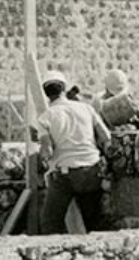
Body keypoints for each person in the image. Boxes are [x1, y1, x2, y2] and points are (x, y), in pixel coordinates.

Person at [37, 70, 111, 234]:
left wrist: (44, 159)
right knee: (93, 221)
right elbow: (106, 136)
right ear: (64, 89)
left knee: (50, 221)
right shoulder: (86, 108)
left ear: (47, 94)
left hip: (66, 174)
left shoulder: (45, 117)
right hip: (92, 170)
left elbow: (47, 150)